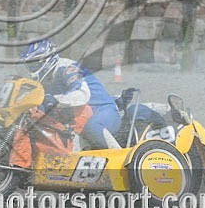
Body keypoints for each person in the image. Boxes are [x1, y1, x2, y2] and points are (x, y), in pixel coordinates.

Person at [9, 39, 122, 170]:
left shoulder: (68, 68)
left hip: (103, 110)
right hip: (76, 116)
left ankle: (122, 161)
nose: (31, 67)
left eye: (34, 62)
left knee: (91, 126)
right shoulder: (42, 78)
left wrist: (57, 100)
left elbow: (81, 94)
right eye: (28, 63)